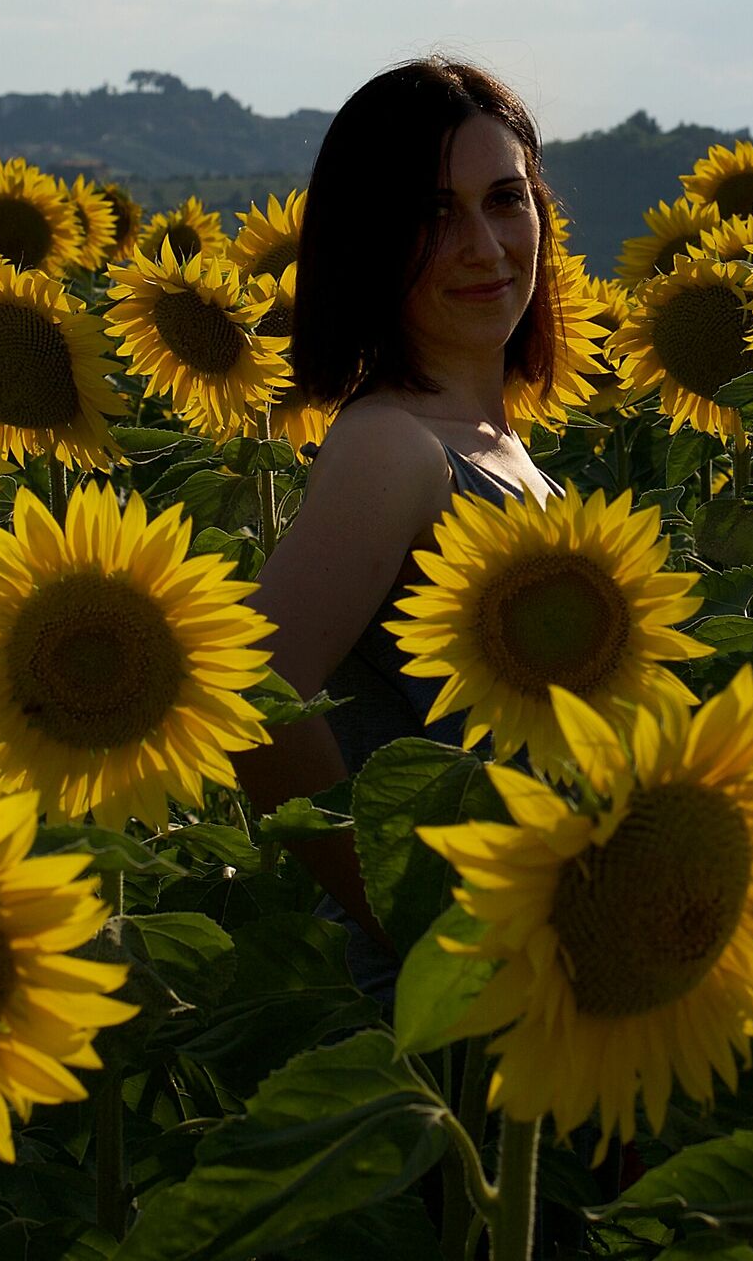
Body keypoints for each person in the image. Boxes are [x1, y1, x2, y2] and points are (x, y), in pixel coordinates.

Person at [237, 57, 567, 949]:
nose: (485, 246)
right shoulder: (396, 448)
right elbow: (253, 698)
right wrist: (412, 929)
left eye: (504, 198)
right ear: (369, 239)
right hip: (451, 1013)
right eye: (432, 214)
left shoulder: (495, 447)